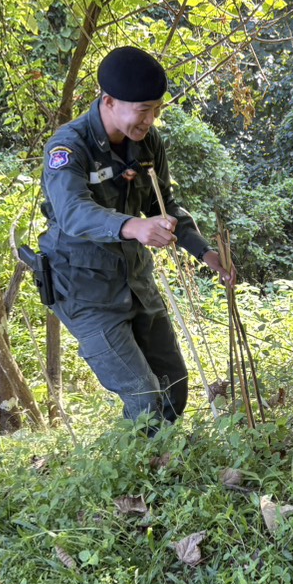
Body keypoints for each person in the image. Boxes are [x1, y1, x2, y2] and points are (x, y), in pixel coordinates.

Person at [38, 46, 232, 425]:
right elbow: (72, 212)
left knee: (174, 385)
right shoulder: (68, 147)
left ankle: (163, 456)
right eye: (143, 110)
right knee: (144, 397)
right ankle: (141, 459)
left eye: (156, 109)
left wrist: (207, 253)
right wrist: (134, 226)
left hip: (134, 280)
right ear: (109, 101)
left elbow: (165, 206)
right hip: (84, 290)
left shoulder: (147, 143)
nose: (150, 120)